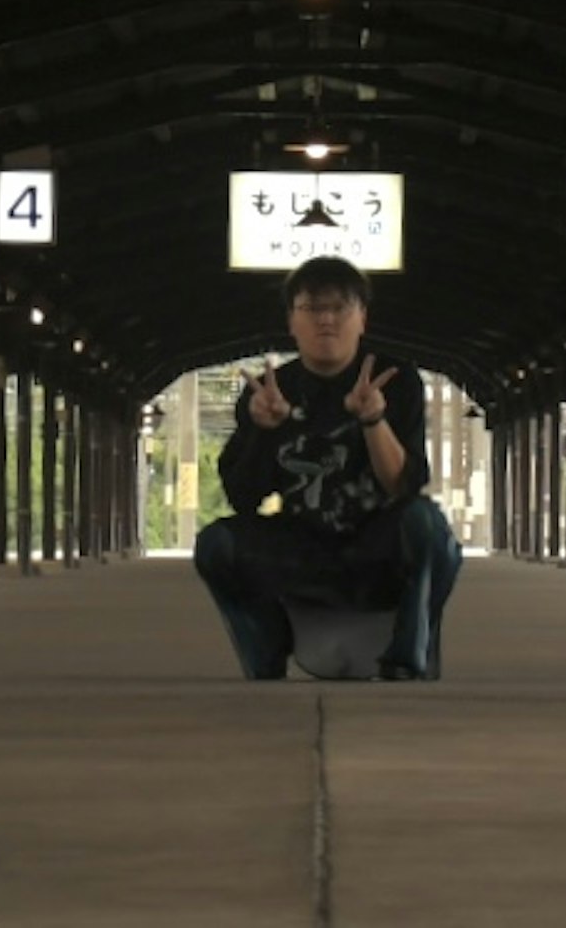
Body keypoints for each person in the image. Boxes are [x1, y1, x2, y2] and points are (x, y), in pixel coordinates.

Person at [190, 255, 459, 680]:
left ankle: (408, 657)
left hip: (376, 547)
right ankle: (266, 652)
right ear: (292, 321)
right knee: (216, 544)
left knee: (429, 526)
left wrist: (373, 419)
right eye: (312, 309)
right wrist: (263, 430)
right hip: (303, 546)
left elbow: (402, 486)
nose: (327, 320)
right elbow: (244, 499)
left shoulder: (396, 381)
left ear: (362, 318)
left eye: (340, 308)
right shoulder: (270, 393)